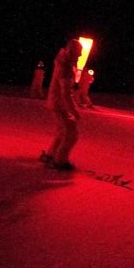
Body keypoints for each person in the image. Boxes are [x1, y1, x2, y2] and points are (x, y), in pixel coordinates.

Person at [40, 39, 82, 171]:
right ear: (71, 51)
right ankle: (60, 161)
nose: (80, 55)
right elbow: (65, 94)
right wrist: (74, 110)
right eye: (78, 52)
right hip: (60, 104)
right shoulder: (65, 67)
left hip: (55, 102)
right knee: (71, 134)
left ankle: (51, 155)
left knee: (62, 131)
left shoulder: (62, 62)